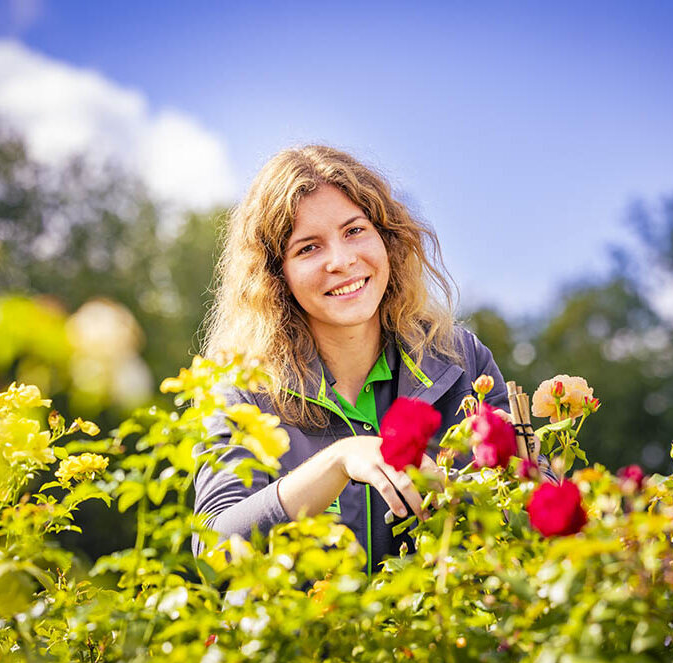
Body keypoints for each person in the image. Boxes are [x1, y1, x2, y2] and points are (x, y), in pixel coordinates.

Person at [192, 145, 509, 574]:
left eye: (355, 231)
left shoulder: (461, 360)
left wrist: (458, 494)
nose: (341, 261)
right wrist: (338, 461)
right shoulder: (242, 390)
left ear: (388, 238)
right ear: (275, 274)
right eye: (307, 248)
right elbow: (216, 555)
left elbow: (530, 509)